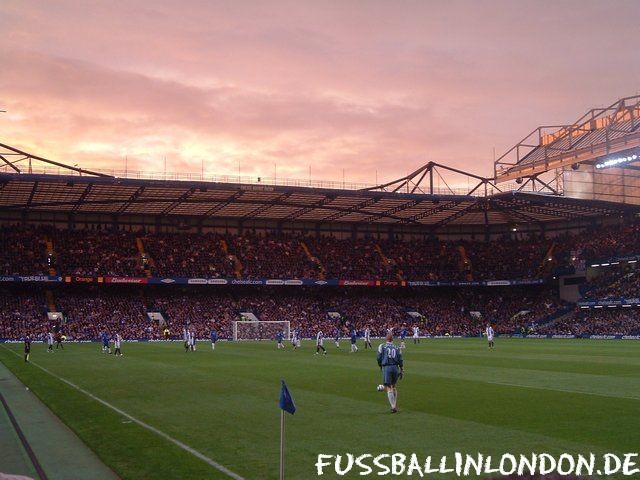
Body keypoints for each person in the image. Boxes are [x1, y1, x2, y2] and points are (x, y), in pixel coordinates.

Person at [376, 333, 404, 413]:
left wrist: (380, 365)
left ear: (386, 338)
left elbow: (378, 357)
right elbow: (400, 359)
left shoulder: (382, 346)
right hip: (395, 367)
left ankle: (393, 406)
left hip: (387, 367)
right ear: (392, 339)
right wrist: (402, 369)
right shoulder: (397, 347)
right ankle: (394, 404)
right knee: (394, 386)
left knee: (388, 387)